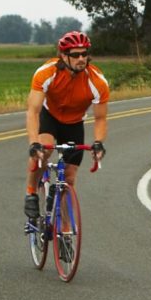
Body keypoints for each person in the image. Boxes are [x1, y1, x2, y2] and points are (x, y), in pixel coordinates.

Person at [24, 31, 108, 220]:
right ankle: (31, 193)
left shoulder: (97, 81)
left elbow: (100, 118)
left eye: (84, 54)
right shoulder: (47, 73)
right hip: (49, 116)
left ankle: (66, 233)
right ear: (63, 56)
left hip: (74, 122)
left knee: (69, 178)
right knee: (43, 150)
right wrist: (33, 143)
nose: (81, 59)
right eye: (75, 55)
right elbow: (33, 111)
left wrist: (98, 142)